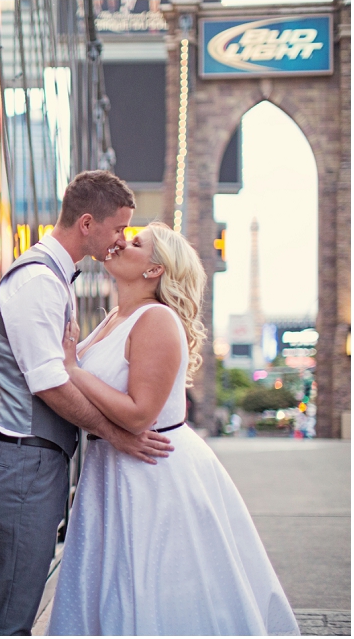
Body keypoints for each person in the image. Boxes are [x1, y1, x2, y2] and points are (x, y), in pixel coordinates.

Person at [47, 223, 299, 635]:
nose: (121, 243)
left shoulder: (157, 319)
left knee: (151, 585)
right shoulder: (115, 316)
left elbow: (138, 414)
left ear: (154, 270)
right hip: (112, 467)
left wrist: (72, 368)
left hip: (152, 472)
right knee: (112, 585)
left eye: (136, 243)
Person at [0, 171, 174, 636]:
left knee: (18, 602)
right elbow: (49, 383)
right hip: (24, 461)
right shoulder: (38, 283)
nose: (121, 240)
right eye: (119, 228)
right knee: (11, 615)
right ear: (88, 223)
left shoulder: (56, 277)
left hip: (36, 461)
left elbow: (67, 371)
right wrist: (116, 435)